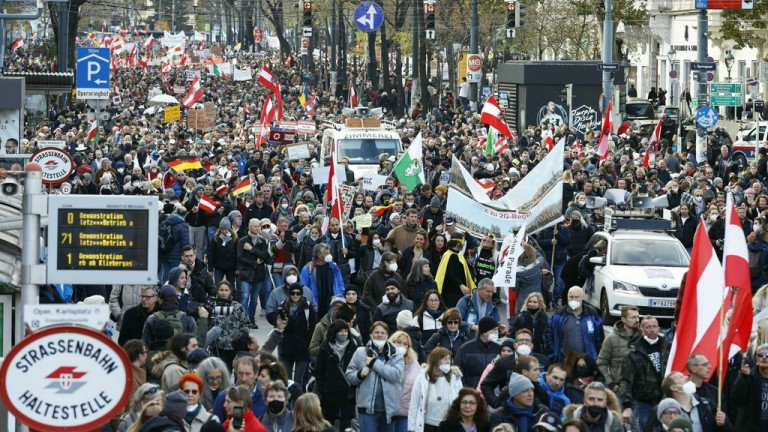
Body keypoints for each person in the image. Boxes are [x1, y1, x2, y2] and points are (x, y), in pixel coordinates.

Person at [345, 321, 405, 432]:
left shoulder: (396, 355)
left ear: (387, 335)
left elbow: (395, 375)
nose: (379, 335)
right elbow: (349, 375)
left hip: (389, 411)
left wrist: (375, 363)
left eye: (383, 333)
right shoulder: (360, 352)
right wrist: (360, 374)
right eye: (376, 332)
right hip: (367, 411)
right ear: (371, 335)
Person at [619, 316, 671, 432]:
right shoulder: (633, 352)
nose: (652, 330)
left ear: (659, 329)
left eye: (654, 327)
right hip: (643, 403)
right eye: (648, 327)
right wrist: (627, 406)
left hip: (665, 399)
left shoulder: (668, 347)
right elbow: (625, 380)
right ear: (642, 330)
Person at [313, 319, 358, 430]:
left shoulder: (353, 347)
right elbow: (318, 370)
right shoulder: (325, 348)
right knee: (328, 426)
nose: (343, 334)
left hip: (348, 395)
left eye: (345, 331)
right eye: (340, 331)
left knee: (346, 426)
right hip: (329, 395)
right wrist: (323, 388)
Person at [407, 347, 463, 432]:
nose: (448, 361)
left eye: (449, 359)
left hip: (447, 426)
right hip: (427, 426)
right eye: (445, 359)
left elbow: (460, 401)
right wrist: (411, 428)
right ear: (436, 360)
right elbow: (414, 404)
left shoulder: (454, 379)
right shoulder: (422, 378)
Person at [545, 286, 603, 364]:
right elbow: (548, 334)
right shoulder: (559, 315)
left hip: (587, 362)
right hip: (564, 361)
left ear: (582, 297)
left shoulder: (592, 314)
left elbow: (600, 338)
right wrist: (553, 355)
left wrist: (595, 356)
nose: (573, 300)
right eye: (571, 297)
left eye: (576, 297)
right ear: (567, 297)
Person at [142, 284, 208, 351]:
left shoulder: (152, 319)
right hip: (181, 358)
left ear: (160, 300)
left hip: (158, 358)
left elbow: (145, 345)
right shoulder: (187, 318)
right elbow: (197, 344)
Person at [277, 282, 317, 390]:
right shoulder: (283, 306)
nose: (295, 295)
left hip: (302, 348)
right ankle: (288, 403)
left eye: (298, 293)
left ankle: (297, 403)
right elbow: (277, 324)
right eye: (293, 293)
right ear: (289, 294)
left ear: (301, 294)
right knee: (287, 379)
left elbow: (313, 325)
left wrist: (307, 340)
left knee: (299, 379)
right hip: (287, 347)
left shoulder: (307, 308)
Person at [207, 281, 252, 368]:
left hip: (233, 346)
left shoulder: (237, 307)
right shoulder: (211, 306)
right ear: (217, 291)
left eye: (226, 290)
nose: (223, 293)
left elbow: (246, 323)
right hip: (217, 346)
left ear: (230, 291)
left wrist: (241, 339)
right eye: (221, 290)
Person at [597, 305, 640, 390]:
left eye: (638, 317)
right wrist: (610, 383)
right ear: (623, 319)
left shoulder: (642, 338)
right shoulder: (611, 339)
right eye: (633, 318)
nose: (637, 320)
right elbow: (601, 363)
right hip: (620, 388)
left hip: (639, 389)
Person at [238, 218, 271, 328]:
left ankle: (251, 318)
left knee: (254, 298)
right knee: (245, 295)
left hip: (259, 274)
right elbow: (240, 257)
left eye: (258, 226)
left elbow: (265, 256)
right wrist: (254, 262)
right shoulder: (242, 241)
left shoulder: (262, 241)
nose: (257, 228)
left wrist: (251, 249)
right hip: (246, 273)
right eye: (255, 226)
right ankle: (243, 319)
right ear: (249, 227)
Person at [212, 357, 268, 421]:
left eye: (248, 374)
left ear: (256, 374)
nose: (243, 378)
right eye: (240, 373)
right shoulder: (223, 397)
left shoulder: (266, 397)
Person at [300, 243, 345, 318]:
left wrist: (339, 296)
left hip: (331, 302)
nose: (329, 255)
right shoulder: (308, 269)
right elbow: (304, 286)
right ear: (319, 255)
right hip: (315, 303)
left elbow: (340, 283)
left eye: (329, 253)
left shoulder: (334, 267)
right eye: (326, 253)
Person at [454, 316, 502, 388]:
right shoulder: (465, 349)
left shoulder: (499, 349)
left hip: (492, 393)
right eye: (494, 330)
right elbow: (457, 372)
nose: (496, 332)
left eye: (497, 330)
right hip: (470, 392)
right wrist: (466, 390)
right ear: (484, 332)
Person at [435, 233, 476, 307]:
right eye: (462, 242)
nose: (463, 244)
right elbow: (449, 272)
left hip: (460, 292)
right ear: (457, 242)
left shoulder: (459, 255)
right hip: (450, 292)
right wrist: (460, 285)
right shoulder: (448, 255)